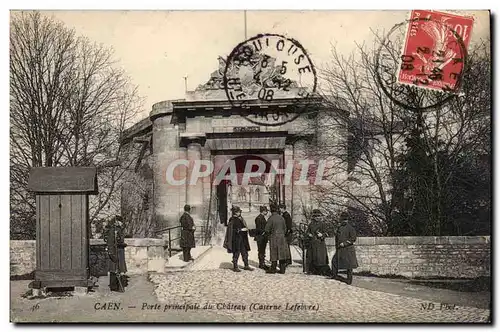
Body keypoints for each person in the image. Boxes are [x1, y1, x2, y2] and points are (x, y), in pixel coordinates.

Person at [223, 205, 254, 272]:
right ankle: (235, 266)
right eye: (238, 212)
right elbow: (232, 230)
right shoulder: (232, 220)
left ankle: (246, 265)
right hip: (236, 239)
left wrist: (244, 229)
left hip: (242, 238)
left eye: (239, 212)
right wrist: (240, 229)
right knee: (236, 252)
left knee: (245, 252)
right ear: (235, 212)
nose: (239, 213)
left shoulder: (240, 218)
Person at [331, 211, 359, 285]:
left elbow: (353, 239)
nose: (344, 221)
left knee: (349, 266)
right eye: (342, 219)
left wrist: (345, 243)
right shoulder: (339, 228)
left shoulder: (351, 228)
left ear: (347, 220)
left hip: (348, 250)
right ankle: (334, 276)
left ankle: (349, 280)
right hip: (340, 250)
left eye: (345, 219)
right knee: (334, 261)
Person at [265, 203, 292, 274]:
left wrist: (268, 235)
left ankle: (273, 269)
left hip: (274, 237)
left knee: (274, 253)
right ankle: (282, 269)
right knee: (281, 253)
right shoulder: (281, 218)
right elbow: (285, 228)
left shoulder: (271, 218)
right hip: (282, 237)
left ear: (271, 211)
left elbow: (267, 229)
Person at [104, 215, 128, 292]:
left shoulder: (119, 230)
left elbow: (119, 240)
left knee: (118, 269)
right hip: (115, 252)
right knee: (114, 269)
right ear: (117, 222)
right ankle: (113, 287)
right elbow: (110, 243)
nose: (121, 223)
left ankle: (117, 286)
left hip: (119, 251)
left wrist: (122, 244)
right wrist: (111, 254)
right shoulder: (112, 230)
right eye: (120, 222)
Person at [305, 209, 331, 276]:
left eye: (318, 216)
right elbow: (307, 232)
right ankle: (312, 270)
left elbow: (327, 233)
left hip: (320, 244)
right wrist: (309, 234)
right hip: (312, 243)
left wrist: (322, 235)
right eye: (315, 216)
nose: (317, 217)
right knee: (312, 258)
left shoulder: (323, 224)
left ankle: (322, 271)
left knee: (320, 259)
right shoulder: (311, 224)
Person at [254, 205, 269, 270]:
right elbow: (259, 228)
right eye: (266, 211)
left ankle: (262, 263)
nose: (267, 212)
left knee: (262, 250)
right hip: (260, 237)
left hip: (262, 237)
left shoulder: (261, 217)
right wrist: (264, 232)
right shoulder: (259, 218)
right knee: (261, 250)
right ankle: (261, 264)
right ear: (263, 211)